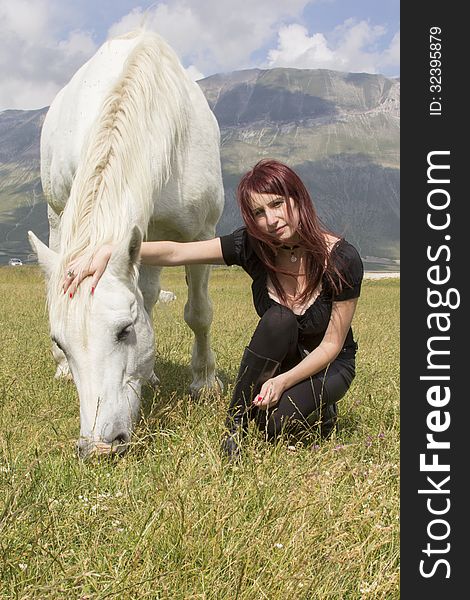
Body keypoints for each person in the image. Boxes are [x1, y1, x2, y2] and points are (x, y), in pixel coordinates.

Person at [63, 159, 363, 460]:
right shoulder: (251, 245)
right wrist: (111, 250)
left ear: (297, 199)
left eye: (277, 204)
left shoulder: (342, 259)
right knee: (279, 320)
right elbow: (178, 251)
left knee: (276, 426)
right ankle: (235, 425)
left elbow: (332, 345)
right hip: (282, 360)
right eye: (259, 212)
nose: (271, 219)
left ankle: (323, 409)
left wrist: (281, 382)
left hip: (328, 364)